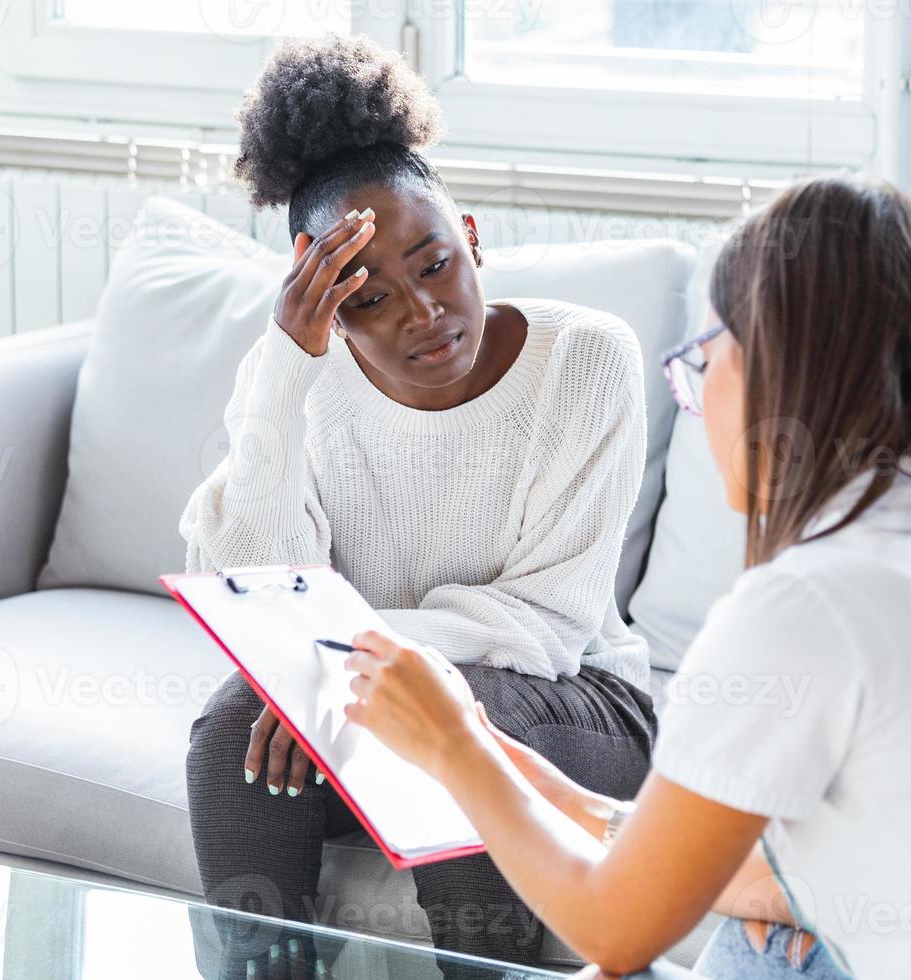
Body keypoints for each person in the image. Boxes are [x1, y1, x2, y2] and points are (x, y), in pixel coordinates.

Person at [338, 175, 911, 979]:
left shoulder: (809, 604)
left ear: (771, 369)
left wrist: (457, 744)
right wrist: (518, 769)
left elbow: (616, 926)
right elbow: (733, 856)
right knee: (776, 922)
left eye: (700, 361)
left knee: (752, 946)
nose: (698, 395)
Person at [178, 34, 658, 976]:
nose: (422, 313)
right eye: (369, 299)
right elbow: (247, 592)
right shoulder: (296, 379)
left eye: (436, 265)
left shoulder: (587, 361)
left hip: (577, 706)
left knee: (454, 718)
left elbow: (548, 625)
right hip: (368, 702)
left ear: (472, 238)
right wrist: (286, 369)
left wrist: (343, 672)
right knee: (235, 725)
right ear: (326, 308)